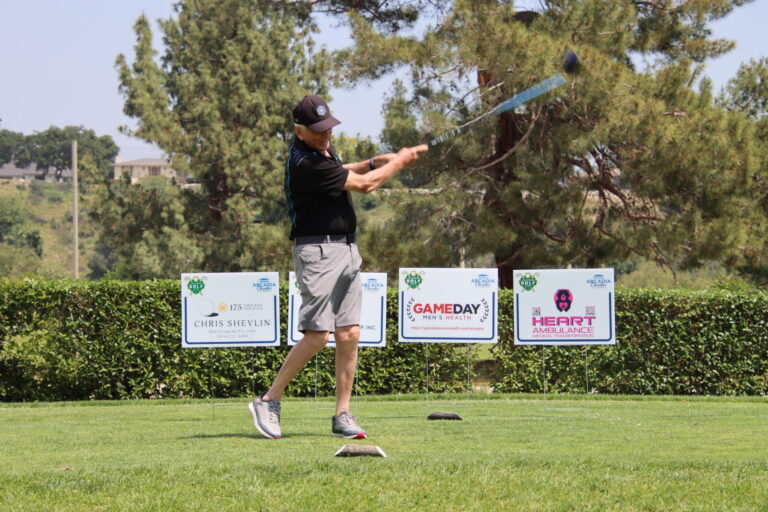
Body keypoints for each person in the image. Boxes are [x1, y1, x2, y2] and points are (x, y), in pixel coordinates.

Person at [249, 95, 428, 439]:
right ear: (298, 131)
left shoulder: (322, 153)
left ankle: (342, 415)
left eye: (328, 127)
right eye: (317, 131)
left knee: (349, 333)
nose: (325, 134)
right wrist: (400, 162)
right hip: (317, 251)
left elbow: (345, 172)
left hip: (346, 249)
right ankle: (268, 399)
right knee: (318, 335)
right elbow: (365, 185)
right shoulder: (304, 162)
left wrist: (375, 160)